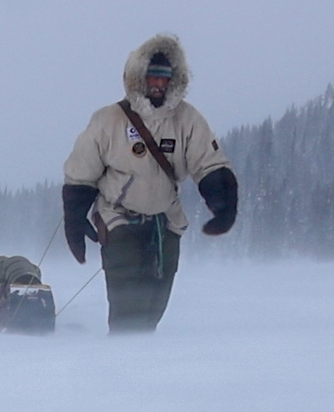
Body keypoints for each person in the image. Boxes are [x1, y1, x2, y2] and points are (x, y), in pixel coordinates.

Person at [62, 34, 238, 332]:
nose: (159, 84)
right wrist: (74, 219)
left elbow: (209, 162)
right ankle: (119, 366)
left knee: (154, 307)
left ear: (175, 79)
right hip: (119, 221)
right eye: (153, 77)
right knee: (128, 310)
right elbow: (81, 172)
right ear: (138, 78)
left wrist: (223, 205)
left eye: (165, 78)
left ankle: (142, 369)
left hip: (165, 224)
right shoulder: (108, 120)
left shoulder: (188, 119)